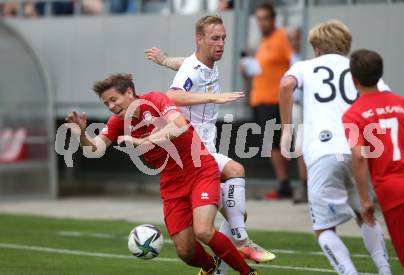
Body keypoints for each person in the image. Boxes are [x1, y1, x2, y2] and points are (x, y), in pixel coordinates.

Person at [65, 73, 259, 275]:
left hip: (199, 169)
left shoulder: (155, 100)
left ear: (129, 92)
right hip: (172, 181)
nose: (111, 106)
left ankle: (248, 272)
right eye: (107, 104)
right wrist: (81, 135)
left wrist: (144, 141)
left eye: (114, 99)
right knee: (185, 250)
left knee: (203, 231)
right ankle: (211, 267)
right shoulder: (117, 122)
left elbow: (179, 125)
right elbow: (94, 149)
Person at [145, 15, 275, 274]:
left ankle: (218, 267)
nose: (222, 43)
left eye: (224, 38)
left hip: (206, 150)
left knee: (235, 214)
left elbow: (185, 63)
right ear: (200, 39)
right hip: (193, 152)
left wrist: (164, 60)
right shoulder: (193, 70)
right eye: (215, 38)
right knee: (236, 173)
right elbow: (172, 95)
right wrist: (214, 98)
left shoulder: (202, 64)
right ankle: (241, 241)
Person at [279, 19, 391, 275]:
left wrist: (287, 130)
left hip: (323, 151)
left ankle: (349, 273)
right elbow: (385, 98)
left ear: (316, 47)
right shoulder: (358, 70)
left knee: (323, 228)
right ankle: (385, 270)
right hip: (359, 150)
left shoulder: (305, 66)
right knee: (366, 214)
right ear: (346, 45)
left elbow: (286, 85)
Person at [343, 49, 404, 275]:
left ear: (354, 79)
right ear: (380, 74)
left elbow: (358, 155)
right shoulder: (403, 104)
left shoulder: (352, 114)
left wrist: (365, 200)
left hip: (395, 192)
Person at [248, 2, 293, 199]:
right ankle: (284, 183)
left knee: (274, 144)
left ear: (273, 19)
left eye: (265, 18)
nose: (262, 22)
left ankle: (285, 184)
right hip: (260, 99)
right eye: (259, 19)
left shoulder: (281, 37)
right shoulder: (263, 42)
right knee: (270, 145)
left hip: (274, 100)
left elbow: (293, 61)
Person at [286, 26, 308, 203]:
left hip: (311, 105)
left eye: (296, 38)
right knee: (299, 147)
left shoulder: (307, 57)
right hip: (298, 105)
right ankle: (305, 185)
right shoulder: (289, 57)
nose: (294, 42)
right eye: (291, 38)